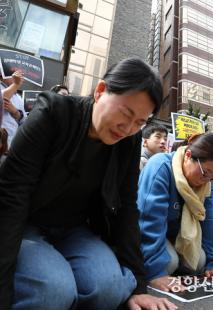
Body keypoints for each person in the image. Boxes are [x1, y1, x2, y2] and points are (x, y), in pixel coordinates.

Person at [0, 57, 176, 310]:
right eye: (125, 113)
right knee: (53, 291)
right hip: (26, 223)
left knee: (109, 288)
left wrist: (138, 285)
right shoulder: (53, 112)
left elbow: (127, 206)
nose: (127, 128)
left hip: (75, 229)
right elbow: (11, 196)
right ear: (100, 90)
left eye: (140, 122)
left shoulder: (129, 140)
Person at [138, 133, 213, 292]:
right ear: (188, 156)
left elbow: (210, 220)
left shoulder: (208, 182)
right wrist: (156, 272)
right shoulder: (161, 166)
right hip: (149, 232)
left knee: (199, 262)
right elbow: (149, 221)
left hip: (175, 235)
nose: (208, 180)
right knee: (169, 263)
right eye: (205, 172)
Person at [0, 70, 26, 147]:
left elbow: (24, 121)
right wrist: (16, 84)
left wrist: (15, 112)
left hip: (11, 144)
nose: (19, 77)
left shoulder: (18, 97)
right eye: (15, 74)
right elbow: (2, 98)